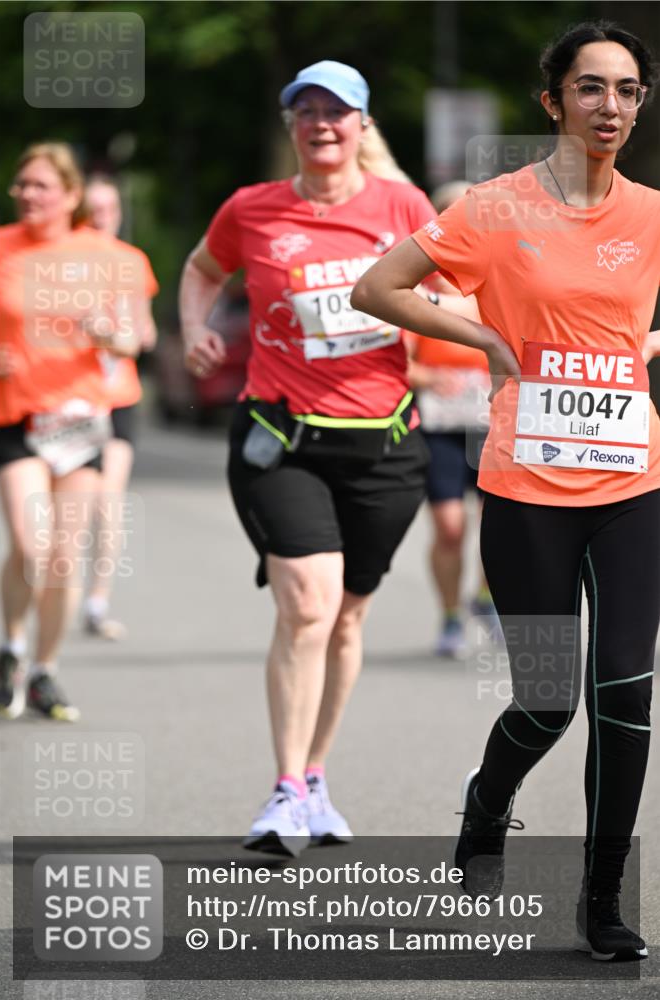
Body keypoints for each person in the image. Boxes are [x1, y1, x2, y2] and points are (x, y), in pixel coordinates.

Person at [352, 22, 659, 961]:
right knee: (544, 702)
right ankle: (487, 805)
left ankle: (601, 897)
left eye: (628, 90)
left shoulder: (652, 213)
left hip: (629, 481)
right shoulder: (493, 209)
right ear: (553, 102)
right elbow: (377, 286)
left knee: (625, 691)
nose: (610, 106)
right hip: (524, 486)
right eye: (591, 88)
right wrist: (482, 340)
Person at [179, 60, 435, 856]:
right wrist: (194, 327)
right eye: (307, 111)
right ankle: (285, 788)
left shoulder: (402, 206)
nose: (322, 124)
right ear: (290, 124)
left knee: (349, 617)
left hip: (385, 445)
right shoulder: (253, 209)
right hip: (281, 439)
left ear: (363, 126)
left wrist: (457, 336)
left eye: (338, 112)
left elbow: (459, 289)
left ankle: (316, 777)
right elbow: (199, 268)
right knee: (308, 606)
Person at [0, 143, 139, 720]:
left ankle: (45, 672)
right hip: (17, 416)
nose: (27, 195)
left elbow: (132, 341)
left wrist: (107, 333)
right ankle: (11, 647)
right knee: (31, 546)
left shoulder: (104, 255)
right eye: (21, 185)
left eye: (40, 186)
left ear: (71, 195)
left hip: (80, 420)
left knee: (62, 557)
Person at [406, 180, 499, 658]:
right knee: (448, 527)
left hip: (493, 423)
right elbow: (396, 361)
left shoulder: (499, 281)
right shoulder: (415, 286)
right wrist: (426, 376)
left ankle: (484, 598)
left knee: (500, 526)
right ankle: (449, 618)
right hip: (440, 426)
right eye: (450, 211)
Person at [81, 175, 158, 639]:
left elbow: (146, 333)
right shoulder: (61, 262)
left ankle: (96, 601)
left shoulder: (133, 263)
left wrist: (127, 335)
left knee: (108, 501)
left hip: (117, 397)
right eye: (93, 209)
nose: (102, 217)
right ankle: (54, 592)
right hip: (66, 397)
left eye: (109, 208)